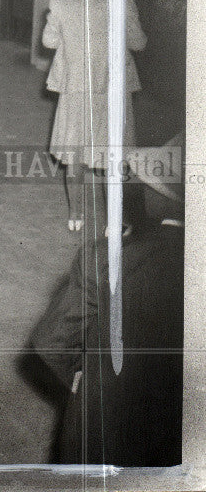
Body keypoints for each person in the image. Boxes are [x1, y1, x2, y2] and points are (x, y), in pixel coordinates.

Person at [29, 135, 184, 465]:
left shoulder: (106, 261)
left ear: (159, 200)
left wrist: (83, 379)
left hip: (105, 432)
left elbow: (52, 342)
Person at [42, 0, 147, 233]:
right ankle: (113, 222)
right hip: (113, 89)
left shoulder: (60, 3)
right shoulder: (123, 2)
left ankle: (75, 215)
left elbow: (49, 41)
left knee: (74, 154)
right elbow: (139, 43)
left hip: (76, 86)